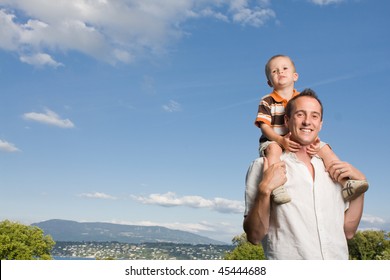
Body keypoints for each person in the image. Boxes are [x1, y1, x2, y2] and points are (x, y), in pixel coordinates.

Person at [244, 89, 367, 259]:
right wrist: (265, 189)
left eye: (314, 116)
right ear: (287, 120)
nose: (307, 122)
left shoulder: (335, 170)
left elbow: (348, 231)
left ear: (321, 124)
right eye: (300, 115)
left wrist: (360, 185)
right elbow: (254, 236)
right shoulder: (262, 166)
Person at [255, 55, 368, 204]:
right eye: (274, 71)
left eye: (284, 68)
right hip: (274, 139)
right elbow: (264, 126)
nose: (280, 72)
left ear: (295, 76)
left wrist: (314, 142)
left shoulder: (302, 99)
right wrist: (280, 140)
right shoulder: (267, 100)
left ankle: (346, 182)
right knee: (273, 150)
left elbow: (308, 125)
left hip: (299, 140)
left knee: (325, 148)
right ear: (269, 81)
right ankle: (277, 187)